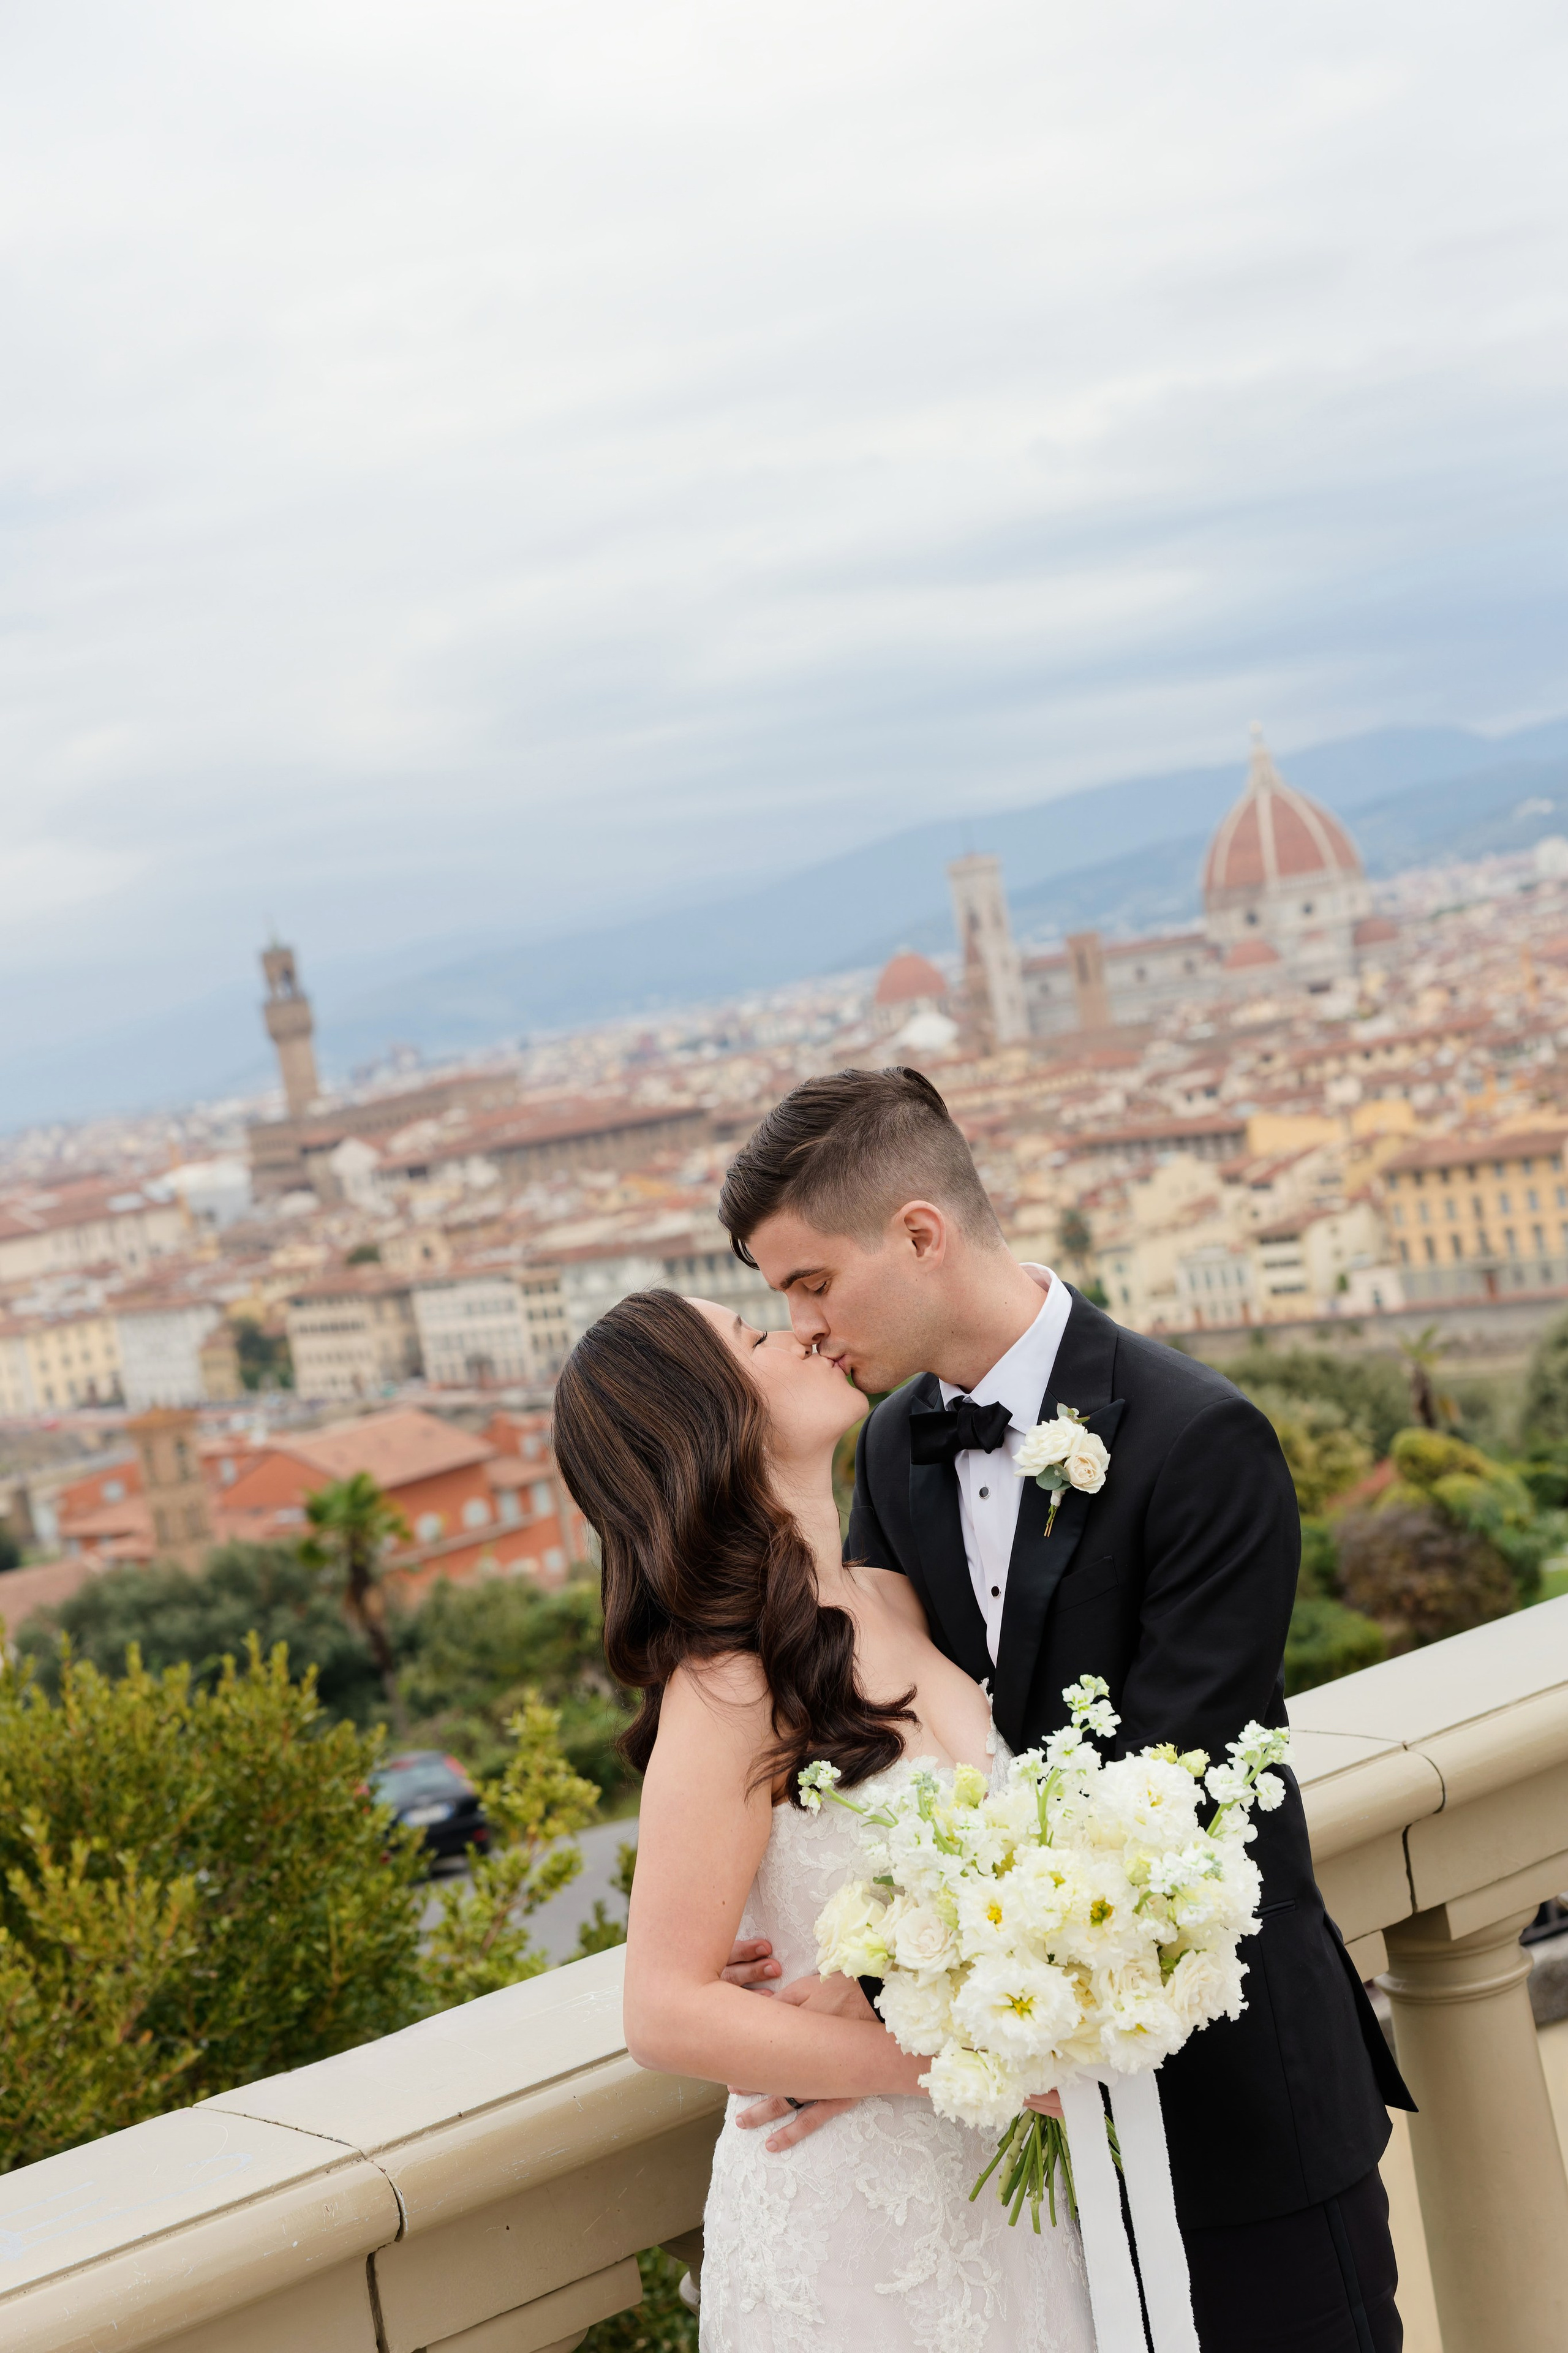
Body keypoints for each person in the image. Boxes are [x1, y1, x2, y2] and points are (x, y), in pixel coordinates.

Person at [714, 1065, 1413, 2353]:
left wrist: (877, 1981)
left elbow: (1166, 1793)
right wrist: (775, 1916)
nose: (802, 1328)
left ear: (919, 1232)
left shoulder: (1201, 1438)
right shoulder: (885, 1448)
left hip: (1232, 2100)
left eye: (810, 1283)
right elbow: (877, 1731)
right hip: (1022, 2154)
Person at [552, 1285, 1096, 2353]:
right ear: (707, 1421)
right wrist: (947, 2064)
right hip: (856, 2221)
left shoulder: (888, 1599)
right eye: (757, 1335)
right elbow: (662, 2010)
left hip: (1005, 2198)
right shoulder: (724, 1687)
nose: (801, 1329)